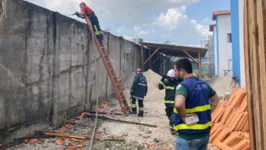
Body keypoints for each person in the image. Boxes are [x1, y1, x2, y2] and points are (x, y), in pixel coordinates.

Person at [172, 58, 219, 150]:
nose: (175, 74)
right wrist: (206, 113)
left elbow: (178, 104)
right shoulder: (204, 84)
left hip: (188, 137)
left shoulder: (183, 86)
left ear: (182, 71)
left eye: (176, 71)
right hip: (204, 136)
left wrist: (183, 116)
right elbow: (216, 100)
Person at [158, 69, 181, 135]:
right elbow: (160, 87)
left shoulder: (177, 83)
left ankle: (173, 128)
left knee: (174, 115)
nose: (171, 78)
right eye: (170, 77)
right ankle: (173, 125)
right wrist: (162, 79)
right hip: (168, 102)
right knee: (169, 114)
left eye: (172, 77)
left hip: (174, 102)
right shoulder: (166, 82)